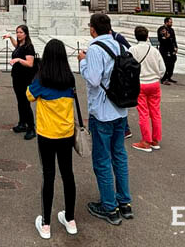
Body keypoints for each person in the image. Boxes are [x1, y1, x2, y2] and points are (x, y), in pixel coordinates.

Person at [78, 14, 132, 226]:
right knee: (119, 156)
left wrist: (82, 63)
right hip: (120, 110)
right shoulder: (120, 46)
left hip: (102, 112)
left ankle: (110, 207)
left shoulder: (94, 49)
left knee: (102, 160)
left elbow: (93, 80)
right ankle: (125, 203)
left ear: (93, 29)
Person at [27, 39, 77, 239]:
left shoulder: (41, 80)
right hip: (66, 133)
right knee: (68, 175)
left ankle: (46, 224)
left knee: (48, 175)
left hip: (47, 134)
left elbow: (29, 95)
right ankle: (70, 220)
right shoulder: (69, 78)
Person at [128, 27, 166, 153]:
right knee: (155, 112)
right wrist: (157, 76)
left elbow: (128, 67)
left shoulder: (132, 50)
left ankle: (146, 141)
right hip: (154, 83)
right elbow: (162, 68)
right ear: (147, 36)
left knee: (143, 113)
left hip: (141, 83)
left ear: (135, 36)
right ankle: (155, 140)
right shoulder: (154, 50)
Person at [3, 25, 36, 140]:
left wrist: (18, 60)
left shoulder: (29, 47)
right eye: (17, 32)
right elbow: (16, 46)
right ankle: (22, 123)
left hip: (25, 78)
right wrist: (10, 37)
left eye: (21, 32)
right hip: (16, 77)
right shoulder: (20, 45)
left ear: (26, 34)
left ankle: (31, 127)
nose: (18, 34)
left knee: (25, 102)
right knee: (20, 101)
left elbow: (30, 63)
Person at [158, 17, 178, 85]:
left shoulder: (171, 30)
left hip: (171, 49)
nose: (171, 23)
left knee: (172, 62)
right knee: (166, 64)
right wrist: (166, 37)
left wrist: (176, 47)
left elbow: (174, 39)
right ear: (166, 22)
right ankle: (163, 79)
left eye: (171, 22)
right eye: (170, 22)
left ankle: (169, 76)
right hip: (165, 49)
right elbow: (162, 39)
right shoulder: (162, 29)